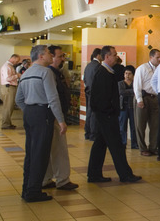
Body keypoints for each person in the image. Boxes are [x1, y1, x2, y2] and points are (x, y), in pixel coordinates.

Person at [15, 45, 68, 202]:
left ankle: (27, 188)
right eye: (47, 53)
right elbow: (53, 98)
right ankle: (34, 191)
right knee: (41, 153)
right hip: (43, 113)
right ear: (40, 56)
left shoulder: (26, 74)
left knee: (31, 153)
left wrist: (30, 110)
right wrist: (60, 120)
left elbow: (19, 99)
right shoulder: (45, 72)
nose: (51, 55)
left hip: (30, 113)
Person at [87, 46, 142, 183]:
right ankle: (125, 174)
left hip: (105, 115)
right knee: (116, 145)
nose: (117, 57)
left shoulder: (108, 72)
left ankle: (94, 174)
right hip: (106, 115)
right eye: (114, 55)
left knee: (100, 144)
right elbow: (101, 98)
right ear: (107, 57)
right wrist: (109, 112)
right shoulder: (102, 73)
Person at [41, 46, 78, 192]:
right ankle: (62, 179)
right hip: (55, 116)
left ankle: (46, 178)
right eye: (60, 56)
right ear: (51, 56)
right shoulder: (49, 73)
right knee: (59, 149)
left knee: (51, 149)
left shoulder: (57, 73)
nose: (63, 59)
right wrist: (60, 118)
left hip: (53, 115)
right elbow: (53, 97)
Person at [133, 49, 160, 156]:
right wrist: (139, 99)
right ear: (151, 57)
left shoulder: (159, 69)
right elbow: (137, 85)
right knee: (141, 124)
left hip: (155, 98)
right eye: (157, 57)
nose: (159, 59)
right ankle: (142, 147)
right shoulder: (142, 68)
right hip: (143, 97)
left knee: (155, 124)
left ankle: (153, 147)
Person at [83, 48, 102, 140]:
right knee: (94, 113)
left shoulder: (88, 66)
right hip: (95, 92)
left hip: (88, 91)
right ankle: (93, 133)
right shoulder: (98, 66)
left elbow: (85, 80)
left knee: (89, 112)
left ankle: (87, 132)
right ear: (98, 55)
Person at [119, 65, 139, 149]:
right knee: (122, 126)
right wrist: (132, 91)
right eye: (126, 73)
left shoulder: (135, 83)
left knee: (133, 126)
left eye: (129, 74)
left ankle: (134, 144)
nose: (127, 75)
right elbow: (121, 92)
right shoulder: (120, 83)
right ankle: (123, 142)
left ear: (133, 75)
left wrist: (130, 92)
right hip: (123, 107)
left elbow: (137, 91)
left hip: (132, 107)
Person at [0, 54, 20, 129]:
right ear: (13, 58)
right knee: (8, 106)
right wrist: (17, 76)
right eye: (17, 60)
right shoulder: (6, 66)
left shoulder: (10, 66)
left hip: (11, 87)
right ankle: (5, 124)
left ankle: (8, 122)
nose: (17, 62)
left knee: (10, 106)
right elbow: (7, 78)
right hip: (8, 87)